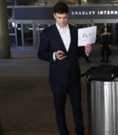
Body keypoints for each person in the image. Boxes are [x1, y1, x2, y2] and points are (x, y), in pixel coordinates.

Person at [37, 2, 91, 135]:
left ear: (69, 16)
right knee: (59, 108)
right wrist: (53, 55)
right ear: (54, 16)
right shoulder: (47, 32)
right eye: (59, 18)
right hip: (57, 79)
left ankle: (80, 132)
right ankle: (63, 132)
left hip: (73, 76)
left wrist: (86, 51)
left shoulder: (75, 31)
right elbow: (41, 53)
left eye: (65, 17)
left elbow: (79, 52)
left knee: (77, 108)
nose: (62, 21)